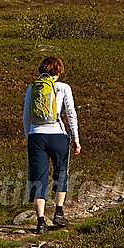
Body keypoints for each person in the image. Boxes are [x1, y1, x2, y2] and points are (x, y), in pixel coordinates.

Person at [23, 56, 81, 234]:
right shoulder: (64, 87)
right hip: (58, 135)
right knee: (61, 172)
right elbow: (71, 114)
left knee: (38, 177)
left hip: (36, 136)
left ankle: (40, 222)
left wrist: (29, 137)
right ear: (59, 71)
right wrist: (76, 139)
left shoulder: (32, 88)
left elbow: (26, 117)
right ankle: (58, 213)